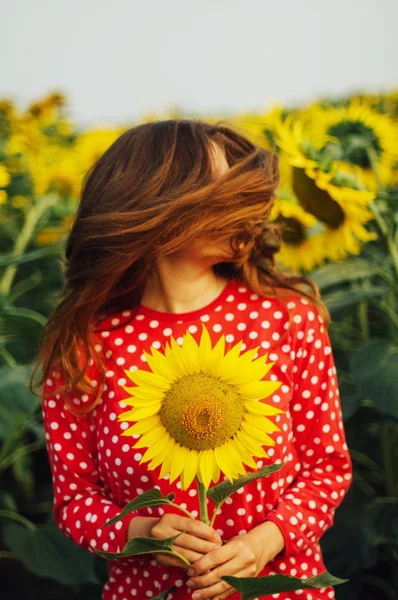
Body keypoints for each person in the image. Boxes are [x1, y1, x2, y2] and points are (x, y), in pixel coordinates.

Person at [35, 119, 353, 600]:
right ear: (158, 206)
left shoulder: (286, 318)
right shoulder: (85, 347)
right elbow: (76, 501)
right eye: (224, 193)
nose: (247, 210)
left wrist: (264, 543)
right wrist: (141, 532)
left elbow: (326, 469)